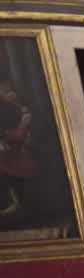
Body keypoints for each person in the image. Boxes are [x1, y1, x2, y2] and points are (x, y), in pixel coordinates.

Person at [0, 77, 37, 218]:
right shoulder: (5, 107)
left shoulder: (22, 109)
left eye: (8, 90)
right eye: (4, 91)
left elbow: (22, 132)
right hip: (10, 145)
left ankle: (19, 202)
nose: (8, 94)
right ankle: (14, 201)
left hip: (18, 149)